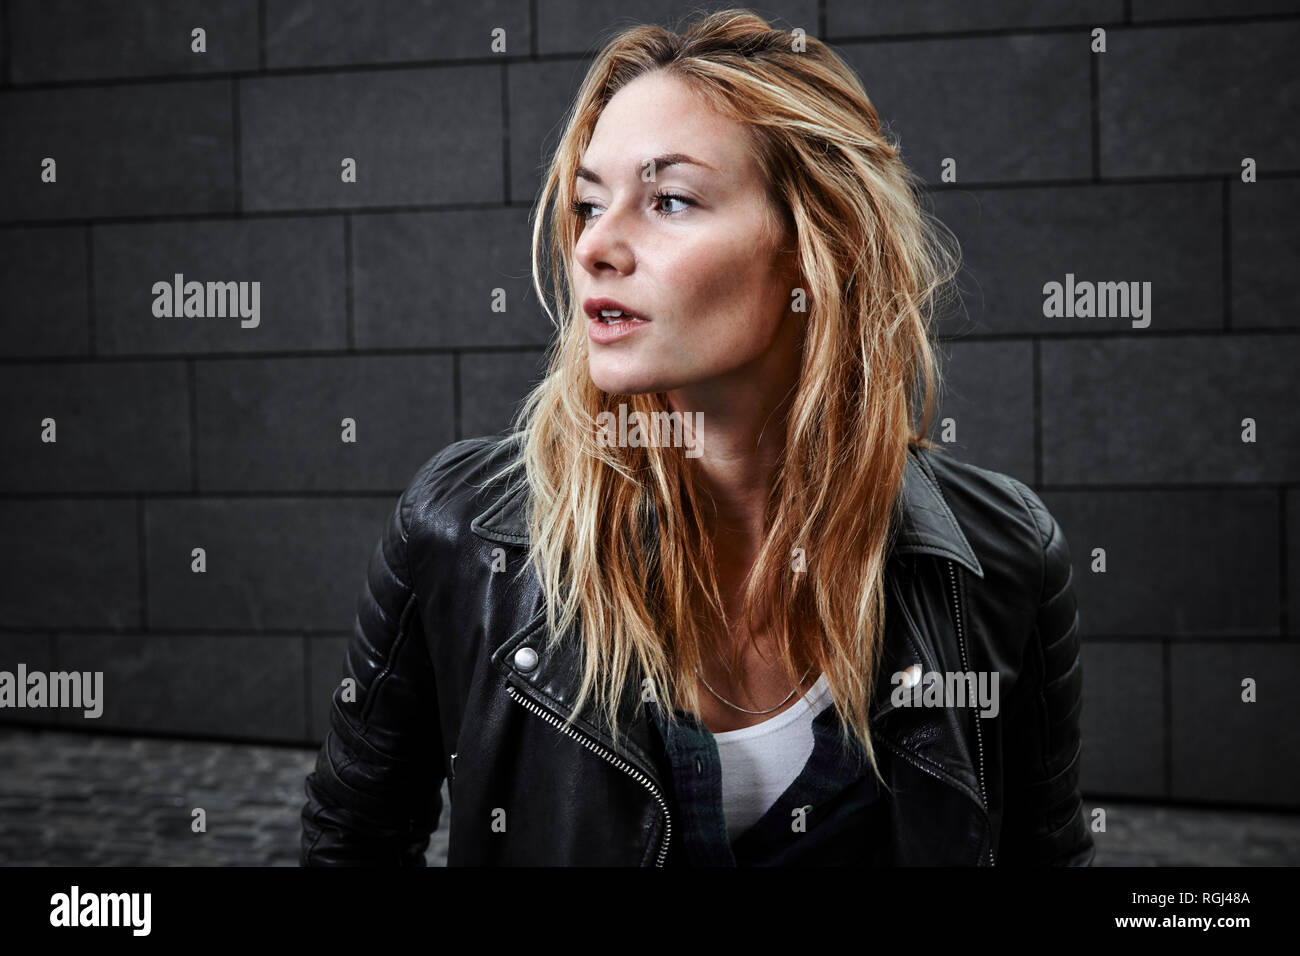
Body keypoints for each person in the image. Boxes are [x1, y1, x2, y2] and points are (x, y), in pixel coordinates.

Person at [300, 8, 1094, 867]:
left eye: (670, 200)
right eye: (590, 203)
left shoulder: (1001, 559)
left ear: (816, 247)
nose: (596, 246)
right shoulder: (466, 532)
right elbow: (352, 843)